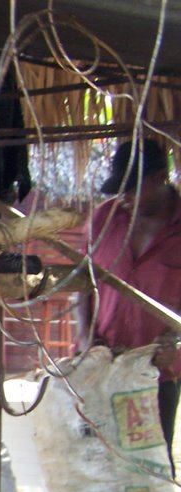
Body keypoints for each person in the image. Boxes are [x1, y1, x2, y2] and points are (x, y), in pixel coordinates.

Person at [75, 138, 181, 474]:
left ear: (160, 179)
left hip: (155, 374)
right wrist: (83, 333)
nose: (126, 199)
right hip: (102, 367)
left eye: (133, 190)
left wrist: (177, 344)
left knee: (150, 471)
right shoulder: (104, 220)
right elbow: (82, 283)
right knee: (96, 468)